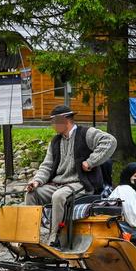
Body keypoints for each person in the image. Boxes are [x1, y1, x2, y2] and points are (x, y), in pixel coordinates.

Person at [25, 105, 117, 245]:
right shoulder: (55, 142)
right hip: (58, 184)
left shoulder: (86, 133)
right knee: (32, 194)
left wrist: (91, 161)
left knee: (59, 196)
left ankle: (54, 238)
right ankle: (30, 236)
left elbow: (110, 141)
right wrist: (37, 181)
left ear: (65, 120)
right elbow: (47, 166)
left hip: (81, 183)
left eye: (54, 121)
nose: (53, 125)